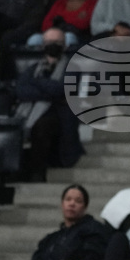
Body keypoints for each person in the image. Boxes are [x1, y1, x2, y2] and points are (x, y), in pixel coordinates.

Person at [17, 28, 84, 182]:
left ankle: (37, 173)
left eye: (57, 42)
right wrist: (50, 91)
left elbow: (62, 89)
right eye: (49, 42)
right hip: (34, 111)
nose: (52, 45)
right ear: (42, 45)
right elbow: (21, 91)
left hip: (60, 114)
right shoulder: (33, 69)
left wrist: (37, 83)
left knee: (42, 127)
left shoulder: (72, 67)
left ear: (65, 45)